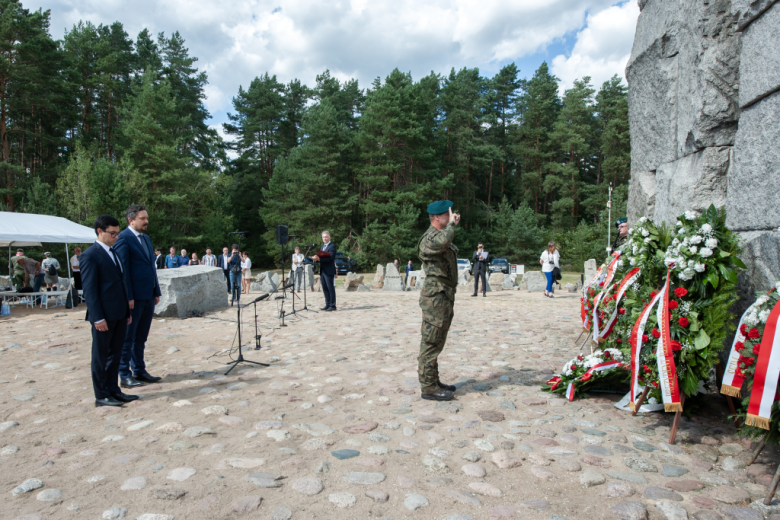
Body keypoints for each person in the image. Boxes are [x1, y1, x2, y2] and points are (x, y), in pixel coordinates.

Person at [79, 214, 136, 407]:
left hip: (120, 314)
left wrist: (127, 312)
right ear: (99, 231)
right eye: (112, 233)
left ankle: (114, 390)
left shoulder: (114, 252)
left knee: (115, 355)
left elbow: (121, 283)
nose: (116, 237)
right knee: (101, 356)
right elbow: (90, 290)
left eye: (117, 233)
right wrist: (97, 318)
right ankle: (101, 395)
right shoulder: (89, 255)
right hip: (103, 316)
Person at [113, 204, 163, 389]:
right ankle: (125, 375)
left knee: (141, 336)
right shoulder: (123, 239)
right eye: (142, 218)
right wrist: (128, 297)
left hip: (148, 295)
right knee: (128, 338)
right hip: (134, 298)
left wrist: (156, 290)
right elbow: (122, 271)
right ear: (131, 220)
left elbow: (151, 267)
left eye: (147, 218)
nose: (146, 221)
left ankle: (140, 370)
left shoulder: (146, 239)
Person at [418, 201, 460, 402]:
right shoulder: (429, 239)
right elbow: (442, 242)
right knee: (431, 341)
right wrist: (451, 226)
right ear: (437, 217)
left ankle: (433, 381)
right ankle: (428, 387)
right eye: (447, 214)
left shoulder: (441, 236)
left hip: (443, 295)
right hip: (435, 297)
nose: (451, 217)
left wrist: (450, 226)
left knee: (437, 341)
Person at [310, 231, 337, 311]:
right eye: (323, 237)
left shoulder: (332, 246)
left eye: (326, 237)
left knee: (330, 287)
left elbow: (330, 258)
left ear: (329, 237)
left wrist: (319, 259)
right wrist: (316, 259)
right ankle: (327, 304)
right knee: (325, 288)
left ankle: (332, 305)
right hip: (323, 270)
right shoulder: (322, 247)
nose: (325, 238)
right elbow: (320, 258)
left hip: (329, 270)